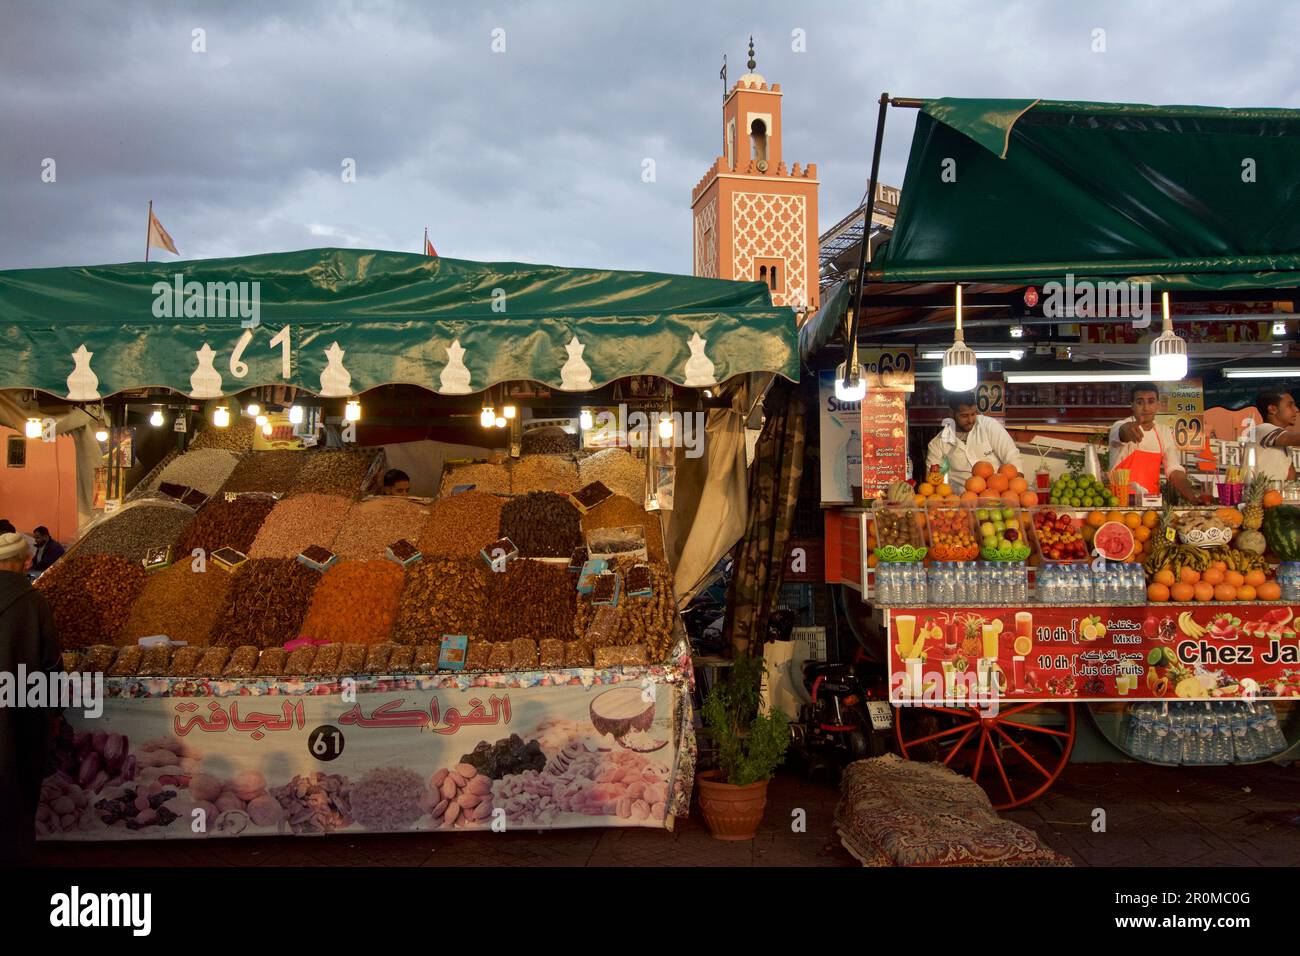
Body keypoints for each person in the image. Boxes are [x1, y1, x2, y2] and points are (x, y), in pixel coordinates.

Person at [0, 532, 60, 865]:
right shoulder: (32, 601)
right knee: (18, 784)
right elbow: (50, 663)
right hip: (21, 712)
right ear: (22, 562)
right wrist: (53, 712)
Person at [1108, 385, 1209, 503]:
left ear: (1158, 405)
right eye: (1140, 402)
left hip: (1151, 504)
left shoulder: (1163, 432)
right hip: (1120, 502)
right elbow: (1122, 432)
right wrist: (1126, 430)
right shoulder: (1120, 425)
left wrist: (1191, 496)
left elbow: (1174, 469)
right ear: (1132, 405)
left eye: (1151, 401)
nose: (1145, 408)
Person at [925, 392, 1024, 491]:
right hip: (963, 500)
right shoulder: (937, 444)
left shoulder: (989, 426)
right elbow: (933, 481)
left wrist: (1016, 488)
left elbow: (1011, 456)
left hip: (997, 496)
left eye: (973, 414)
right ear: (951, 413)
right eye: (964, 416)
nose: (971, 420)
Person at [1252, 390, 1300, 481]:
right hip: (1264, 494)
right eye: (1290, 405)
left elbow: (1291, 478)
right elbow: (1292, 438)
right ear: (1272, 409)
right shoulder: (1262, 430)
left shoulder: (1281, 443)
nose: (1296, 410)